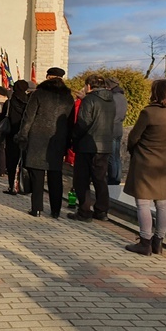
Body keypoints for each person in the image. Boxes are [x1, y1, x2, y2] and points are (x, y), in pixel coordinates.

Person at [124, 80, 166, 255]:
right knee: (162, 202)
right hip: (165, 161)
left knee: (143, 202)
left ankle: (144, 242)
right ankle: (159, 241)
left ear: (156, 93)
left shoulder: (149, 112)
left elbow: (134, 137)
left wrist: (134, 150)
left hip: (145, 160)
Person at [15, 67, 74, 217]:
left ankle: (37, 209)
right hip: (58, 140)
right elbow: (70, 123)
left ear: (48, 77)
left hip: (37, 139)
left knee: (37, 175)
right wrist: (68, 142)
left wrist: (22, 136)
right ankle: (55, 210)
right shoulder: (68, 97)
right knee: (55, 175)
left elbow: (28, 118)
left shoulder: (39, 94)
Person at [68, 74, 116, 222]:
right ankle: (102, 211)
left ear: (88, 86)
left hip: (87, 145)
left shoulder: (89, 100)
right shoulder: (111, 100)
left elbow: (83, 122)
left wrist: (73, 138)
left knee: (81, 180)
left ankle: (84, 211)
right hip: (105, 145)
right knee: (100, 179)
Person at [1, 79, 29, 194]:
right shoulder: (29, 101)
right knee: (23, 161)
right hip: (24, 135)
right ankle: (24, 186)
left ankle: (12, 186)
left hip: (11, 135)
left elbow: (3, 116)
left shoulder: (9, 102)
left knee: (12, 162)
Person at [106, 77, 128, 185]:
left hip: (111, 128)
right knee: (116, 155)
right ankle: (117, 177)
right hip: (119, 127)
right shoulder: (123, 97)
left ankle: (112, 178)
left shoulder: (111, 97)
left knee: (111, 155)